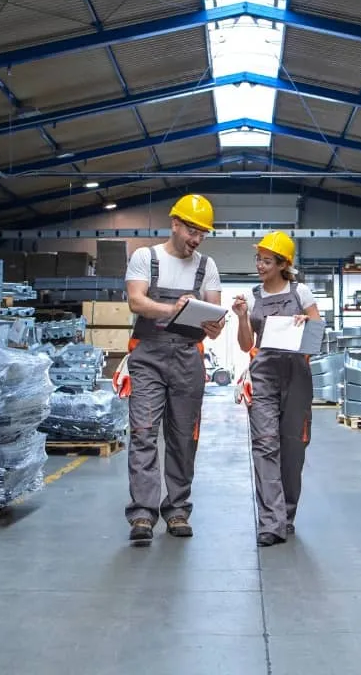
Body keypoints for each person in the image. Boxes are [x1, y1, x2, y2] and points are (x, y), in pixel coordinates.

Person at [123, 194, 225, 545]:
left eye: (203, 233)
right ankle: (142, 513)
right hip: (148, 357)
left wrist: (215, 326)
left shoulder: (207, 266)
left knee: (183, 436)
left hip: (187, 358)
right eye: (192, 231)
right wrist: (173, 309)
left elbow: (214, 316)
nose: (197, 239)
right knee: (143, 432)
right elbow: (136, 301)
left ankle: (177, 509)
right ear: (175, 224)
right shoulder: (146, 257)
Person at [232, 231, 321, 547]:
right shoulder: (253, 295)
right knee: (265, 444)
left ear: (283, 264)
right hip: (264, 375)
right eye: (258, 259)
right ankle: (270, 523)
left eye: (267, 261)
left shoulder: (302, 293)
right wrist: (243, 317)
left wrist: (303, 324)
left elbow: (317, 336)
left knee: (293, 449)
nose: (259, 265)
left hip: (297, 374)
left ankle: (286, 515)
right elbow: (246, 345)